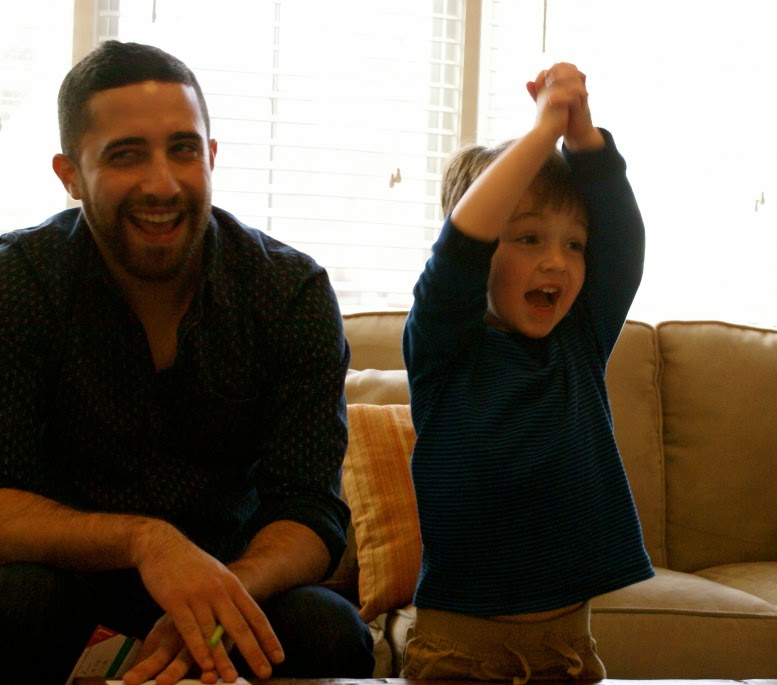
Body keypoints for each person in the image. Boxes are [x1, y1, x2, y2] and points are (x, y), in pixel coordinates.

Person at [0, 41, 374, 684]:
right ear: (70, 175)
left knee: (328, 630)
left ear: (212, 156)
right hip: (68, 582)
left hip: (234, 576)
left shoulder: (288, 291)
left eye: (183, 150)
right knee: (14, 603)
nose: (163, 183)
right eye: (126, 155)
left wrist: (216, 600)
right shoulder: (19, 282)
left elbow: (310, 512)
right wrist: (147, 542)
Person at [400, 62, 654, 682]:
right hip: (458, 652)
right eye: (528, 239)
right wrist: (542, 135)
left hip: (570, 650)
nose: (557, 263)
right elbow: (460, 247)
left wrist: (582, 137)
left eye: (574, 244)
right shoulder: (443, 347)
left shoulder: (580, 342)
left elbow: (622, 240)